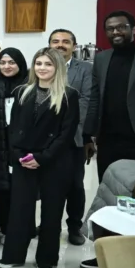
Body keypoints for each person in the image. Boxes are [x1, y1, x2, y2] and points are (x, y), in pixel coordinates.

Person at [0, 48, 79, 268]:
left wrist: (42, 158)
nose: (42, 68)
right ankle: (13, 255)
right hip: (24, 159)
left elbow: (66, 134)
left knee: (52, 212)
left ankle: (46, 259)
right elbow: (13, 127)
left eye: (48, 64)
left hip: (54, 161)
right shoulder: (22, 92)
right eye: (39, 63)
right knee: (20, 211)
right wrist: (18, 155)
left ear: (58, 67)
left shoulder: (68, 95)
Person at [86, 10, 135, 182]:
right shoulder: (101, 59)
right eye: (110, 29)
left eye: (121, 27)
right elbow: (94, 98)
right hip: (108, 141)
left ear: (133, 29)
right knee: (108, 188)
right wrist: (87, 135)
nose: (115, 32)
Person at [48, 28, 92, 245]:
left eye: (66, 42)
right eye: (55, 41)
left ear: (74, 46)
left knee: (75, 185)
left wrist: (65, 125)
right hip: (45, 138)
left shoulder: (85, 69)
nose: (60, 45)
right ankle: (49, 225)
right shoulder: (42, 66)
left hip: (73, 138)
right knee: (48, 185)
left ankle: (74, 226)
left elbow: (86, 100)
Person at [0, 47, 28, 235]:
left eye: (11, 62)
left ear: (20, 64)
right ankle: (4, 227)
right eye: (3, 62)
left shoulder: (29, 84)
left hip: (23, 142)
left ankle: (23, 226)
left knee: (22, 187)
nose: (6, 66)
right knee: (2, 186)